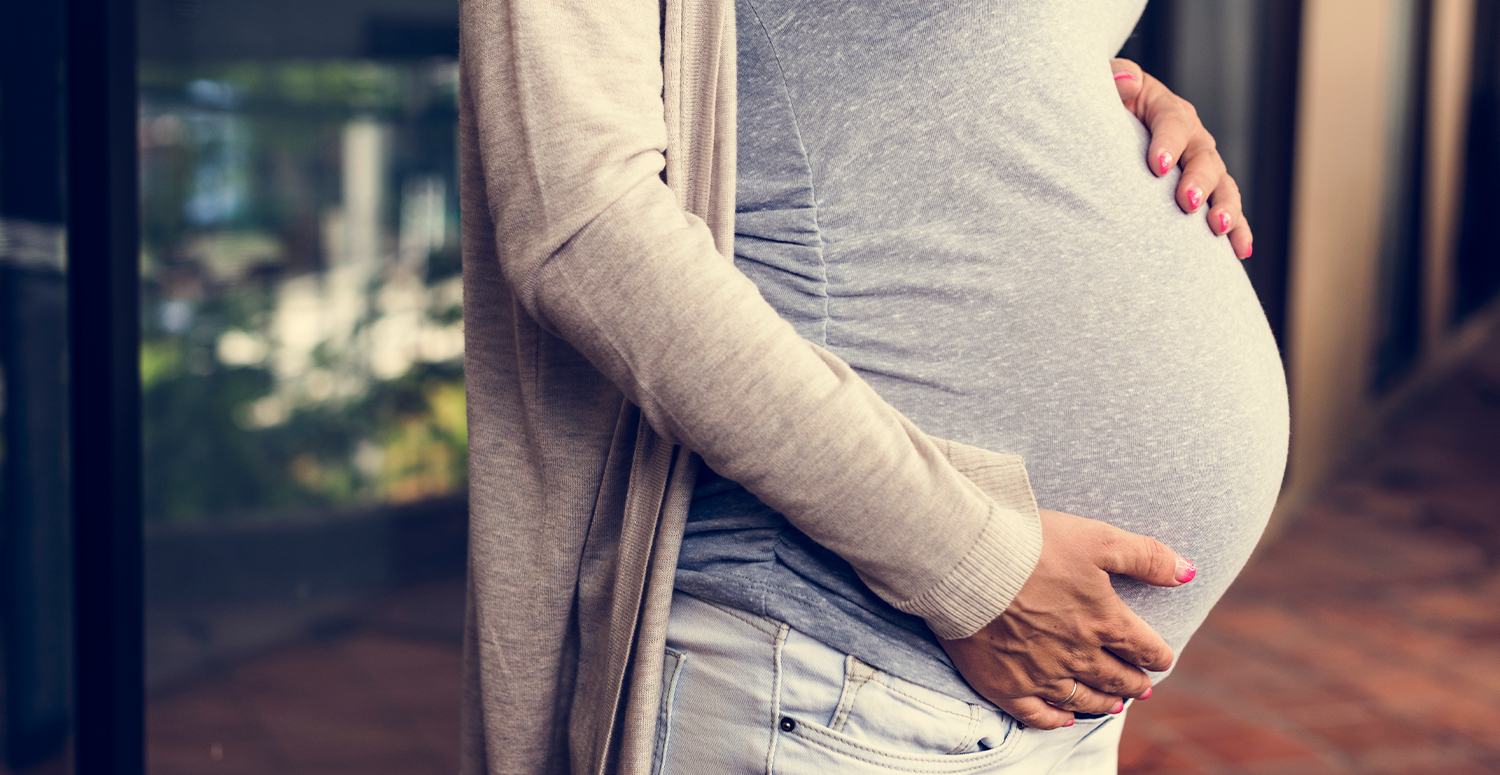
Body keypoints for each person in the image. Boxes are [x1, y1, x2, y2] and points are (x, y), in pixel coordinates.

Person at [457, 0, 1286, 773]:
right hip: (840, 670)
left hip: (1042, 694)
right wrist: (974, 569)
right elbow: (584, 228)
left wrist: (1106, 97)